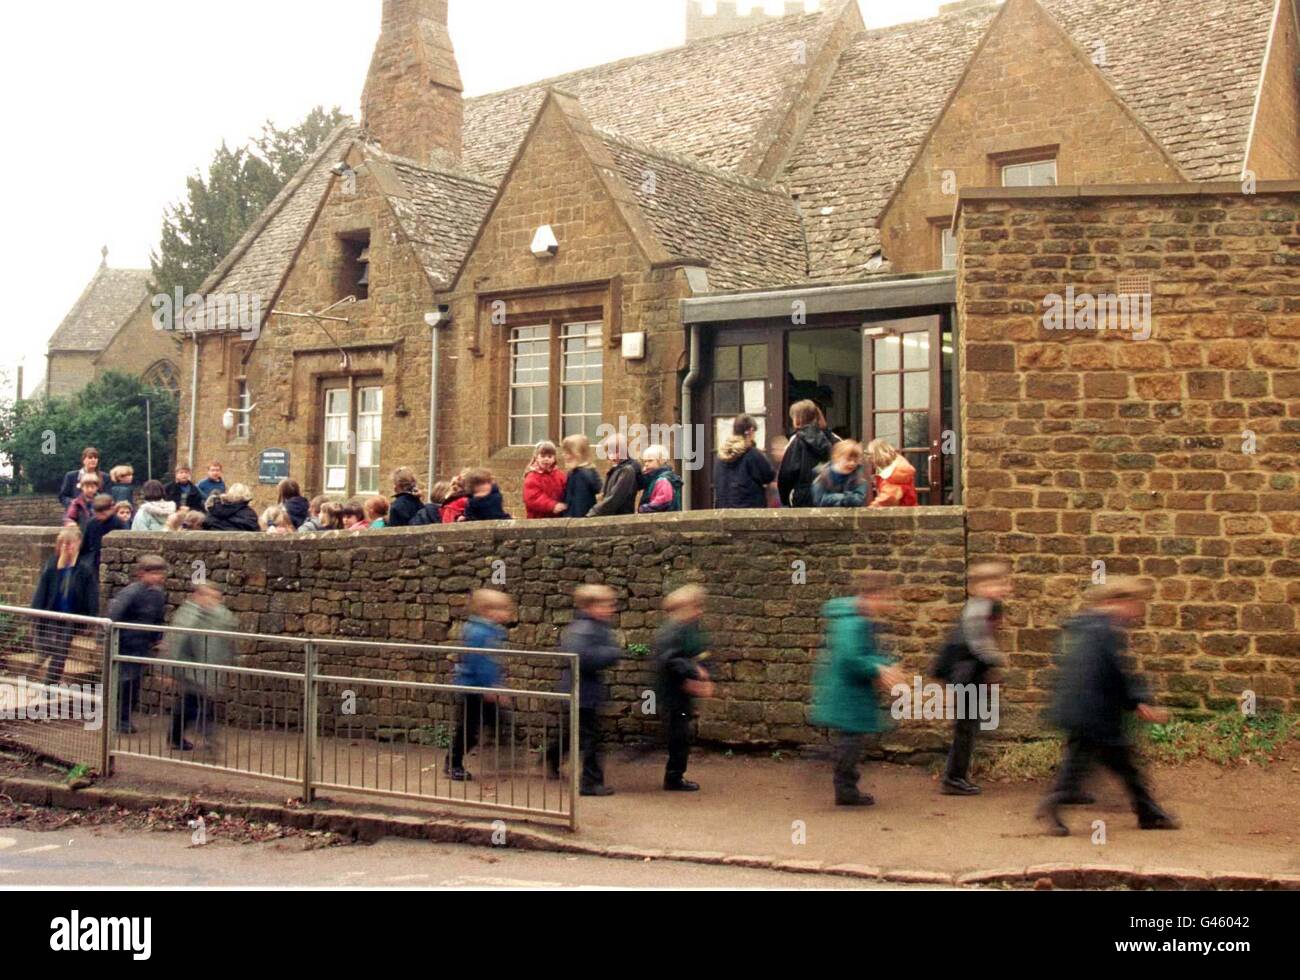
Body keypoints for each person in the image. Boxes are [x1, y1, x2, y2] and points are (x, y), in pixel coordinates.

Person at [1037, 578, 1179, 836]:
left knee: (1093, 766)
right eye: (1133, 605)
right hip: (1094, 713)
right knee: (1122, 766)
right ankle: (1148, 813)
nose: (1135, 612)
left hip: (1083, 710)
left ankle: (1148, 813)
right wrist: (1137, 701)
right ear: (1114, 602)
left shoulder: (1086, 627)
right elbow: (1115, 671)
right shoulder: (1103, 631)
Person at [811, 571, 906, 806]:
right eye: (884, 597)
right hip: (847, 692)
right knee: (850, 741)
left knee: (852, 740)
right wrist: (880, 670)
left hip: (852, 692)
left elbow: (864, 654)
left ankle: (844, 785)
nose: (886, 603)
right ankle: (845, 790)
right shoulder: (853, 622)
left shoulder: (860, 619)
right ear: (871, 596)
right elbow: (849, 658)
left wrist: (885, 664)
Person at [930, 561, 1012, 795]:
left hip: (969, 675)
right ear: (978, 587)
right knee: (965, 728)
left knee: (968, 726)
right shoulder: (978, 608)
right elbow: (979, 643)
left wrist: (989, 672)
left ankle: (955, 776)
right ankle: (953, 779)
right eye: (993, 583)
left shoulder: (988, 606)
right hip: (963, 676)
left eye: (1001, 583)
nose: (1000, 588)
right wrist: (996, 660)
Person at [546, 584, 623, 795]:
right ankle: (590, 782)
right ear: (590, 607)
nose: (611, 609)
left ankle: (552, 757)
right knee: (590, 738)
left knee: (576, 734)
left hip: (584, 691)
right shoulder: (584, 629)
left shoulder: (594, 626)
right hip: (581, 692)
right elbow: (583, 658)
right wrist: (612, 653)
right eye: (606, 605)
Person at [447, 590, 516, 781]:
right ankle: (453, 763)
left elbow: (490, 662)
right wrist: (490, 687)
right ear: (488, 611)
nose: (507, 613)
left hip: (483, 686)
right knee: (469, 729)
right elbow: (479, 661)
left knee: (496, 721)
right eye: (502, 609)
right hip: (473, 688)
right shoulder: (480, 632)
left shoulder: (491, 631)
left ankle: (502, 754)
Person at [655, 585, 715, 792]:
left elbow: (700, 653)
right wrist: (696, 672)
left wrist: (702, 672)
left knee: (679, 734)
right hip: (673, 692)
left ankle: (674, 775)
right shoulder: (672, 631)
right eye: (696, 606)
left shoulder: (688, 628)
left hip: (680, 691)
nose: (699, 611)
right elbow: (670, 660)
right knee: (679, 736)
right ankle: (673, 778)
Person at [167, 583, 236, 751]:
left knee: (189, 706)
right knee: (199, 706)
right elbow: (177, 644)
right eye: (207, 596)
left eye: (215, 597)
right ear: (198, 596)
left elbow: (228, 641)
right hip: (191, 671)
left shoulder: (221, 616)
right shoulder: (189, 617)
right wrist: (171, 671)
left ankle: (175, 737)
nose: (212, 600)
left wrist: (229, 661)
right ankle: (210, 740)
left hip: (208, 670)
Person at [108, 554, 169, 735]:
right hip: (126, 644)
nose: (160, 577)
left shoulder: (158, 595)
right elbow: (114, 615)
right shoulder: (131, 593)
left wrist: (157, 638)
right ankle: (119, 719)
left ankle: (124, 719)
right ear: (143, 574)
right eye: (156, 573)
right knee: (124, 683)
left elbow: (157, 619)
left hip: (141, 646)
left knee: (134, 683)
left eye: (161, 573)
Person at [31, 526, 100, 685]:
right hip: (49, 616)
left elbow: (91, 595)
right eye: (63, 544)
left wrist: (91, 618)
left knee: (60, 654)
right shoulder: (52, 566)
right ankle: (28, 677)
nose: (66, 547)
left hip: (69, 619)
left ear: (78, 544)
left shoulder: (84, 569)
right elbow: (41, 591)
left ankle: (49, 686)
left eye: (70, 544)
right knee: (45, 650)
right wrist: (35, 615)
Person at [777, 401, 834, 508]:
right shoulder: (828, 439)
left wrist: (784, 499)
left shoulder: (797, 441)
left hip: (803, 496)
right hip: (827, 494)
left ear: (797, 420)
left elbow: (787, 472)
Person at [714, 415, 775, 509]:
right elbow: (769, 475)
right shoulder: (752, 454)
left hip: (724, 509)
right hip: (749, 509)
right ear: (750, 431)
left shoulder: (721, 456)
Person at [588, 434, 641, 517]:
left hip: (620, 516)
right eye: (609, 452)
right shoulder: (616, 469)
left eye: (616, 452)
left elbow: (615, 498)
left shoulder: (627, 470)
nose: (612, 456)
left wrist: (594, 512)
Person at [811, 440, 869, 508]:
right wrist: (844, 497)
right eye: (848, 459)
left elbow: (858, 500)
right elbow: (819, 500)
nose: (852, 463)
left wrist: (835, 498)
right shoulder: (822, 477)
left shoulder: (860, 480)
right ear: (837, 457)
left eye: (855, 460)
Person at [81, 495, 127, 572]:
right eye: (97, 513)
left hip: (113, 561)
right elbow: (85, 545)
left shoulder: (118, 524)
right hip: (95, 561)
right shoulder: (91, 524)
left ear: (112, 509)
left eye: (103, 512)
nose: (100, 515)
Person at [867, 439, 917, 508]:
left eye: (871, 456)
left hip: (901, 514)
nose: (870, 460)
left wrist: (870, 510)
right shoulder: (897, 469)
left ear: (877, 456)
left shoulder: (894, 474)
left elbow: (888, 498)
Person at [523, 442, 568, 519]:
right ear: (537, 457)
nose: (546, 459)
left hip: (557, 517)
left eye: (549, 456)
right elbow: (533, 498)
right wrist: (552, 505)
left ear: (554, 459)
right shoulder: (532, 477)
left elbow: (566, 488)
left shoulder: (559, 475)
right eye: (543, 456)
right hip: (538, 518)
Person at [561, 434, 601, 519]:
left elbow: (578, 504)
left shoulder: (579, 475)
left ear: (577, 454)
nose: (563, 455)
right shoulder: (590, 471)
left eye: (567, 453)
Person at [638, 445, 682, 513]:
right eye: (645, 461)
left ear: (661, 461)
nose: (646, 464)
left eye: (650, 461)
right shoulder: (654, 478)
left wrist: (643, 508)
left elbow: (663, 502)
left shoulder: (663, 480)